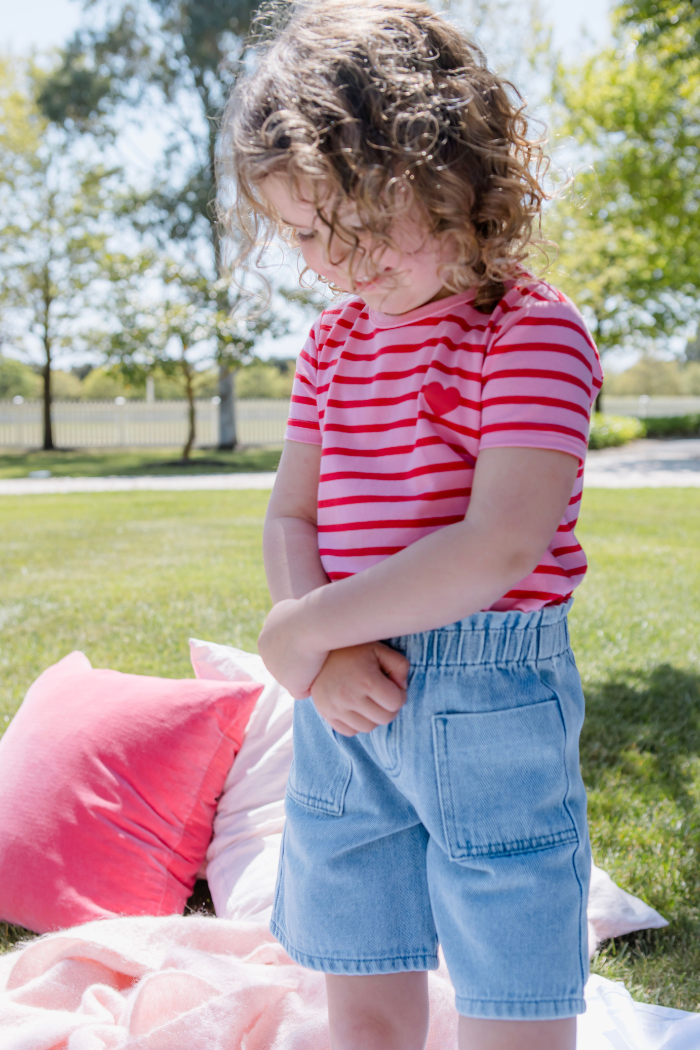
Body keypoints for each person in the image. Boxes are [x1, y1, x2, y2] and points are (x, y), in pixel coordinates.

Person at [219, 2, 603, 1047]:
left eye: (359, 220)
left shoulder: (530, 333)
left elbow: (497, 547)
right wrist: (314, 639)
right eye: (303, 234)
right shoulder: (332, 346)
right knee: (362, 960)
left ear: (448, 171)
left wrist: (306, 632)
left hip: (488, 702)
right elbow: (292, 509)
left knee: (509, 967)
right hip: (342, 703)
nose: (337, 262)